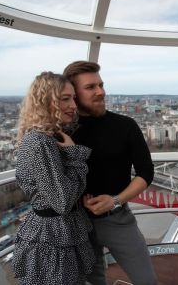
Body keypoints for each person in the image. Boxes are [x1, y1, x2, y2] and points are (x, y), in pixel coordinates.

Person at [63, 61, 158, 285]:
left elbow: (146, 172)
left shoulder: (126, 125)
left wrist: (115, 200)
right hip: (77, 223)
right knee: (94, 282)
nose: (101, 92)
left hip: (117, 218)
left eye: (101, 85)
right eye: (90, 87)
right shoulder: (63, 132)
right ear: (73, 94)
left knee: (147, 280)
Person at [12, 72, 95, 285]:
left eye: (73, 98)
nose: (73, 105)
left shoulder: (46, 137)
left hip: (57, 231)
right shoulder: (41, 143)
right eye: (65, 98)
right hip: (53, 236)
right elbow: (62, 201)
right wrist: (75, 155)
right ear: (45, 101)